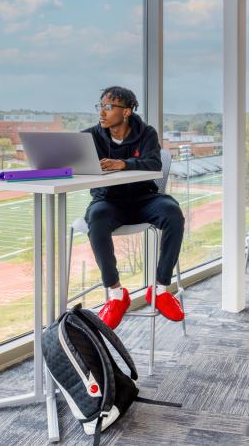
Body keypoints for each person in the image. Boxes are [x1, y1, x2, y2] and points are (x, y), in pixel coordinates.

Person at [83, 86, 185, 329]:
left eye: (109, 107)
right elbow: (75, 163)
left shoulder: (146, 133)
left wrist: (123, 164)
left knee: (173, 212)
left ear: (126, 111)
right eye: (101, 106)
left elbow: (153, 163)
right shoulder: (90, 137)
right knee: (96, 217)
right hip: (108, 201)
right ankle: (116, 294)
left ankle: (159, 289)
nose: (103, 112)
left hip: (144, 199)